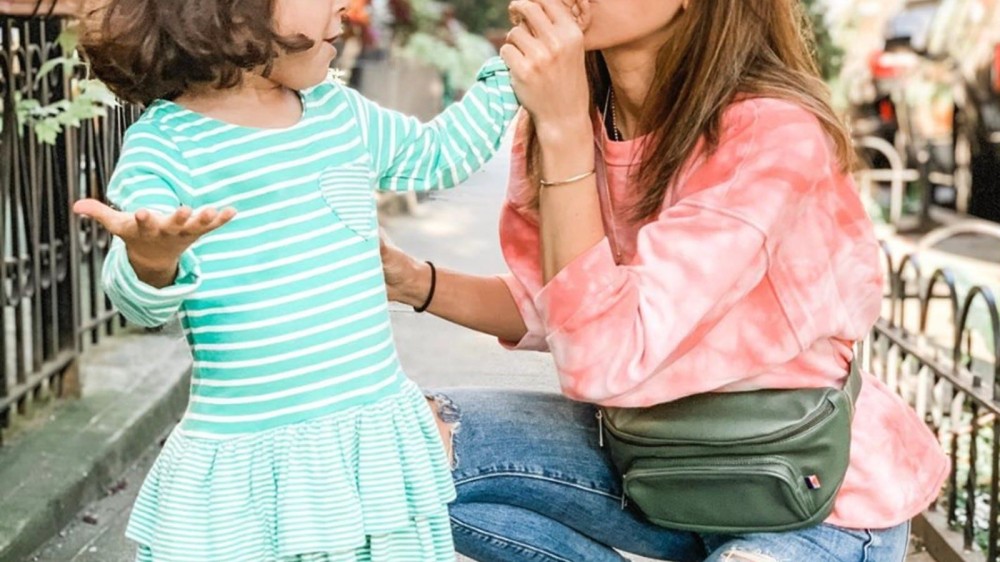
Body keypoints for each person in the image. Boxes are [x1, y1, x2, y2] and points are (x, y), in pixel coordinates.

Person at [381, 0, 950, 560]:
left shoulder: (772, 135)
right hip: (653, 457)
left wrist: (563, 133)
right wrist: (412, 281)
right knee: (393, 453)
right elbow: (553, 304)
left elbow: (601, 356)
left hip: (810, 488)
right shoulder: (569, 118)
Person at [71, 0, 528, 559]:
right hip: (249, 469)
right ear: (229, 12)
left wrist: (511, 73)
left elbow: (438, 155)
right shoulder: (165, 146)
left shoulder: (337, 111)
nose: (346, 6)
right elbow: (139, 304)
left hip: (368, 445)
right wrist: (150, 258)